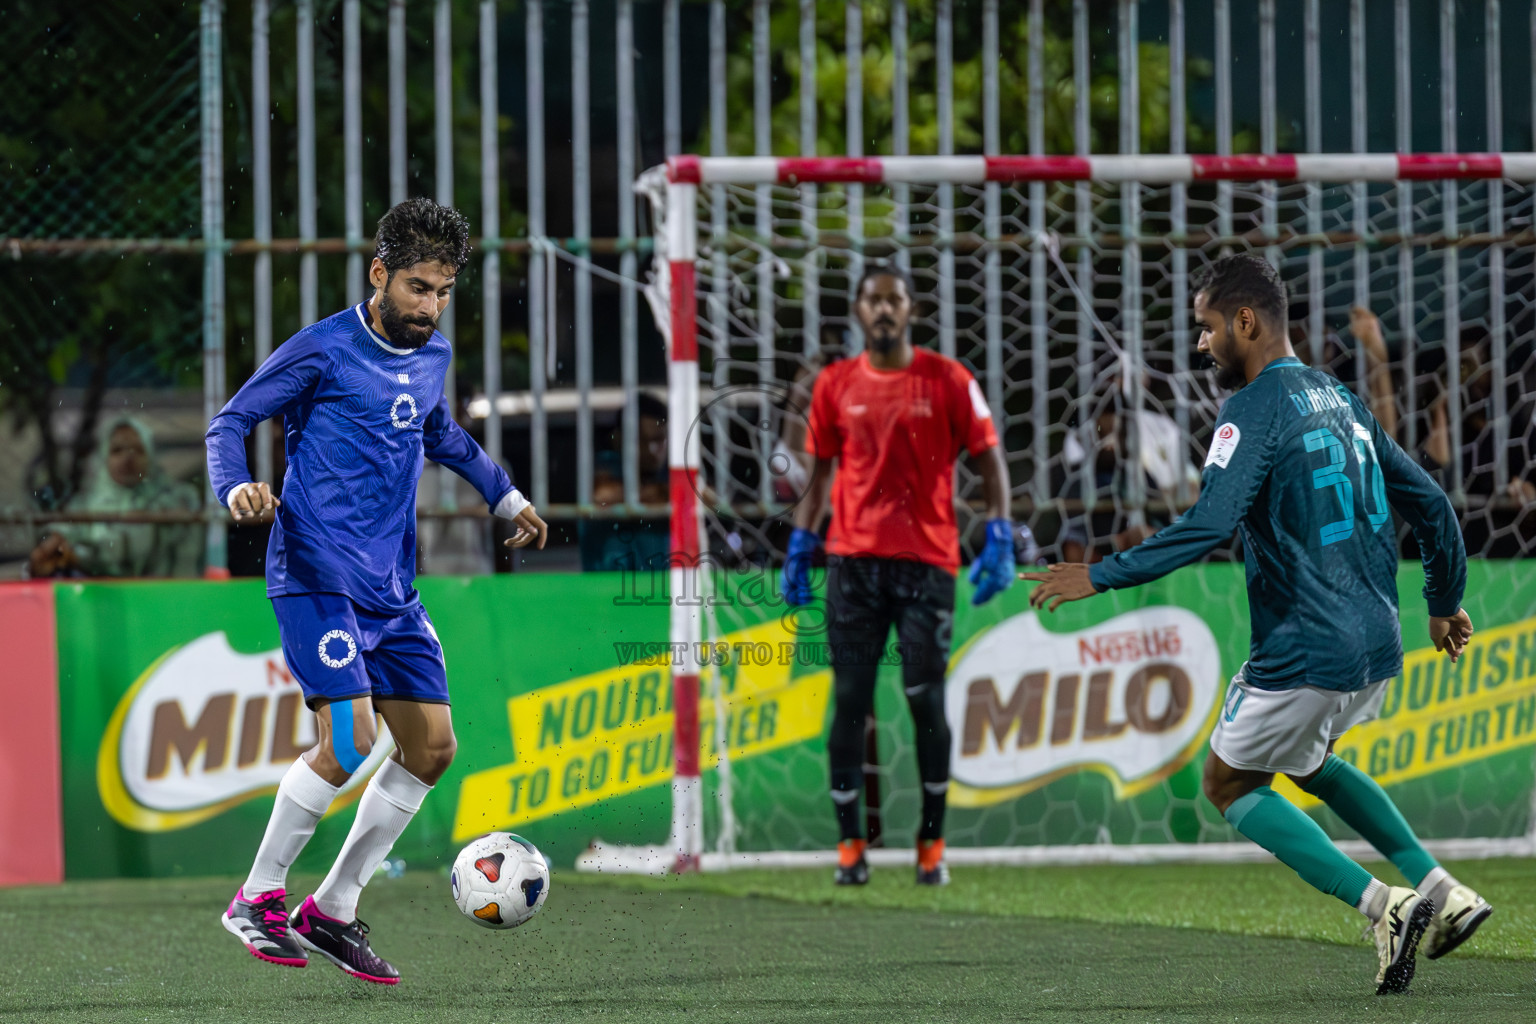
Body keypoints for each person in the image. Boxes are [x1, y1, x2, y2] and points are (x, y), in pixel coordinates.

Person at [1022, 254, 1490, 995]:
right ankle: (1443, 891)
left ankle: (1383, 907)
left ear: (1246, 321)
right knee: (1306, 764)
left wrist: (1098, 574)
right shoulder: (1340, 396)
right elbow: (1433, 504)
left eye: (1208, 328)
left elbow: (1209, 521)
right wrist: (1443, 599)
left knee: (1228, 782)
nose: (1201, 344)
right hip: (1379, 638)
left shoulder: (1253, 409)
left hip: (1309, 642)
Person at [205, 198, 548, 984]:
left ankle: (331, 908)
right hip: (317, 578)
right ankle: (256, 898)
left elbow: (438, 432)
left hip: (391, 590)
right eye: (419, 288)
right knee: (351, 741)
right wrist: (235, 491)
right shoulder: (322, 349)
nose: (430, 307)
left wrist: (504, 495)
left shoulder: (432, 356)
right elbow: (229, 423)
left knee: (432, 748)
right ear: (380, 274)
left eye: (443, 292)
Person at [780, 265, 1015, 887]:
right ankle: (851, 845)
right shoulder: (834, 384)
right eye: (873, 299)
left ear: (910, 308)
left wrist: (999, 531)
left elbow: (991, 458)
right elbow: (822, 472)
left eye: (894, 299)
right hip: (853, 563)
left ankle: (932, 845)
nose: (884, 309)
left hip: (928, 564)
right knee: (851, 701)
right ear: (859, 311)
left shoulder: (949, 379)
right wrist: (803, 539)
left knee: (925, 699)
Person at [28, 416, 203, 579]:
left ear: (150, 456)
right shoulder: (87, 503)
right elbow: (62, 532)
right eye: (117, 450)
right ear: (104, 456)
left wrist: (74, 554)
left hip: (168, 601)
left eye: (137, 449)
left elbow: (129, 545)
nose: (128, 457)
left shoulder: (178, 499)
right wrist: (52, 546)